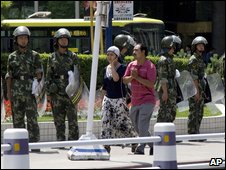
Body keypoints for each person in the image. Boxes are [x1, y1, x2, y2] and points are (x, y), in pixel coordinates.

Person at [5, 26, 42, 152]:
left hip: (30, 91)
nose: (23, 40)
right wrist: (9, 93)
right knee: (18, 120)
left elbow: (39, 74)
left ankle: (34, 145)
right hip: (16, 91)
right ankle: (19, 145)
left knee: (32, 119)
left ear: (28, 39)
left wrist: (38, 89)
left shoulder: (35, 55)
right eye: (20, 38)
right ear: (16, 40)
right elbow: (9, 76)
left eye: (25, 38)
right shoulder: (12, 57)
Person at [101, 46, 137, 154]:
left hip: (119, 99)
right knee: (105, 120)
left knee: (122, 122)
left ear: (117, 56)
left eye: (112, 54)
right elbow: (104, 86)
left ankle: (134, 140)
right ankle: (106, 145)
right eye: (108, 54)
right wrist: (101, 99)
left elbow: (116, 79)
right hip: (108, 99)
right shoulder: (105, 69)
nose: (109, 57)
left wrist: (112, 65)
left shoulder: (123, 68)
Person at [45, 28, 79, 142]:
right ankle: (60, 140)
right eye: (62, 39)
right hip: (56, 93)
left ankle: (73, 141)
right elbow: (48, 75)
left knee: (73, 119)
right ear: (57, 41)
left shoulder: (73, 56)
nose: (64, 41)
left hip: (70, 92)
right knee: (58, 120)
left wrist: (77, 92)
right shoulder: (52, 57)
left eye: (66, 39)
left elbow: (78, 75)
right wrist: (48, 93)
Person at [123, 43, 156, 155]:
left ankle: (140, 148)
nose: (134, 52)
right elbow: (124, 80)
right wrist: (132, 77)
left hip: (147, 100)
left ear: (143, 52)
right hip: (135, 101)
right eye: (133, 50)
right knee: (136, 126)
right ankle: (153, 144)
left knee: (142, 124)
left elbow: (151, 84)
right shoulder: (131, 65)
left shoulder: (150, 66)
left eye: (136, 50)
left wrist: (137, 77)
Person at [155, 35, 182, 123]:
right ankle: (161, 132)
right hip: (166, 89)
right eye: (172, 47)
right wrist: (165, 92)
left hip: (171, 88)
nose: (174, 49)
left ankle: (167, 132)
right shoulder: (163, 60)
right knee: (165, 112)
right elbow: (163, 78)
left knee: (171, 112)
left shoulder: (169, 59)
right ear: (168, 47)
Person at [187, 36, 208, 142]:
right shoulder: (194, 59)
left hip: (200, 88)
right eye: (199, 45)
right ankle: (192, 134)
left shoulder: (200, 59)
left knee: (199, 112)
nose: (202, 47)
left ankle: (196, 132)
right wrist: (196, 92)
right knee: (193, 111)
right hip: (194, 89)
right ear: (195, 47)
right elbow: (194, 77)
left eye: (203, 45)